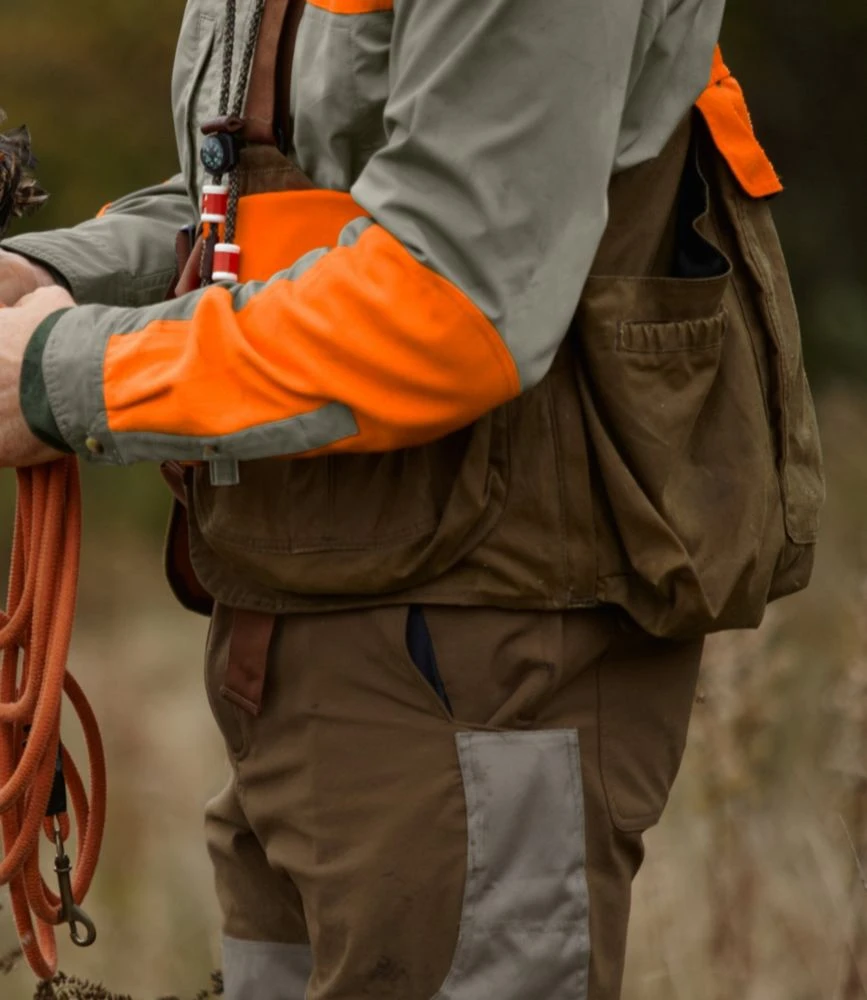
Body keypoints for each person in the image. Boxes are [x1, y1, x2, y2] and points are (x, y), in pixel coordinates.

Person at [0, 0, 824, 997]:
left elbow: (456, 297)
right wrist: (45, 278)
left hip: (476, 660)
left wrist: (63, 375)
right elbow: (251, 204)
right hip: (301, 645)